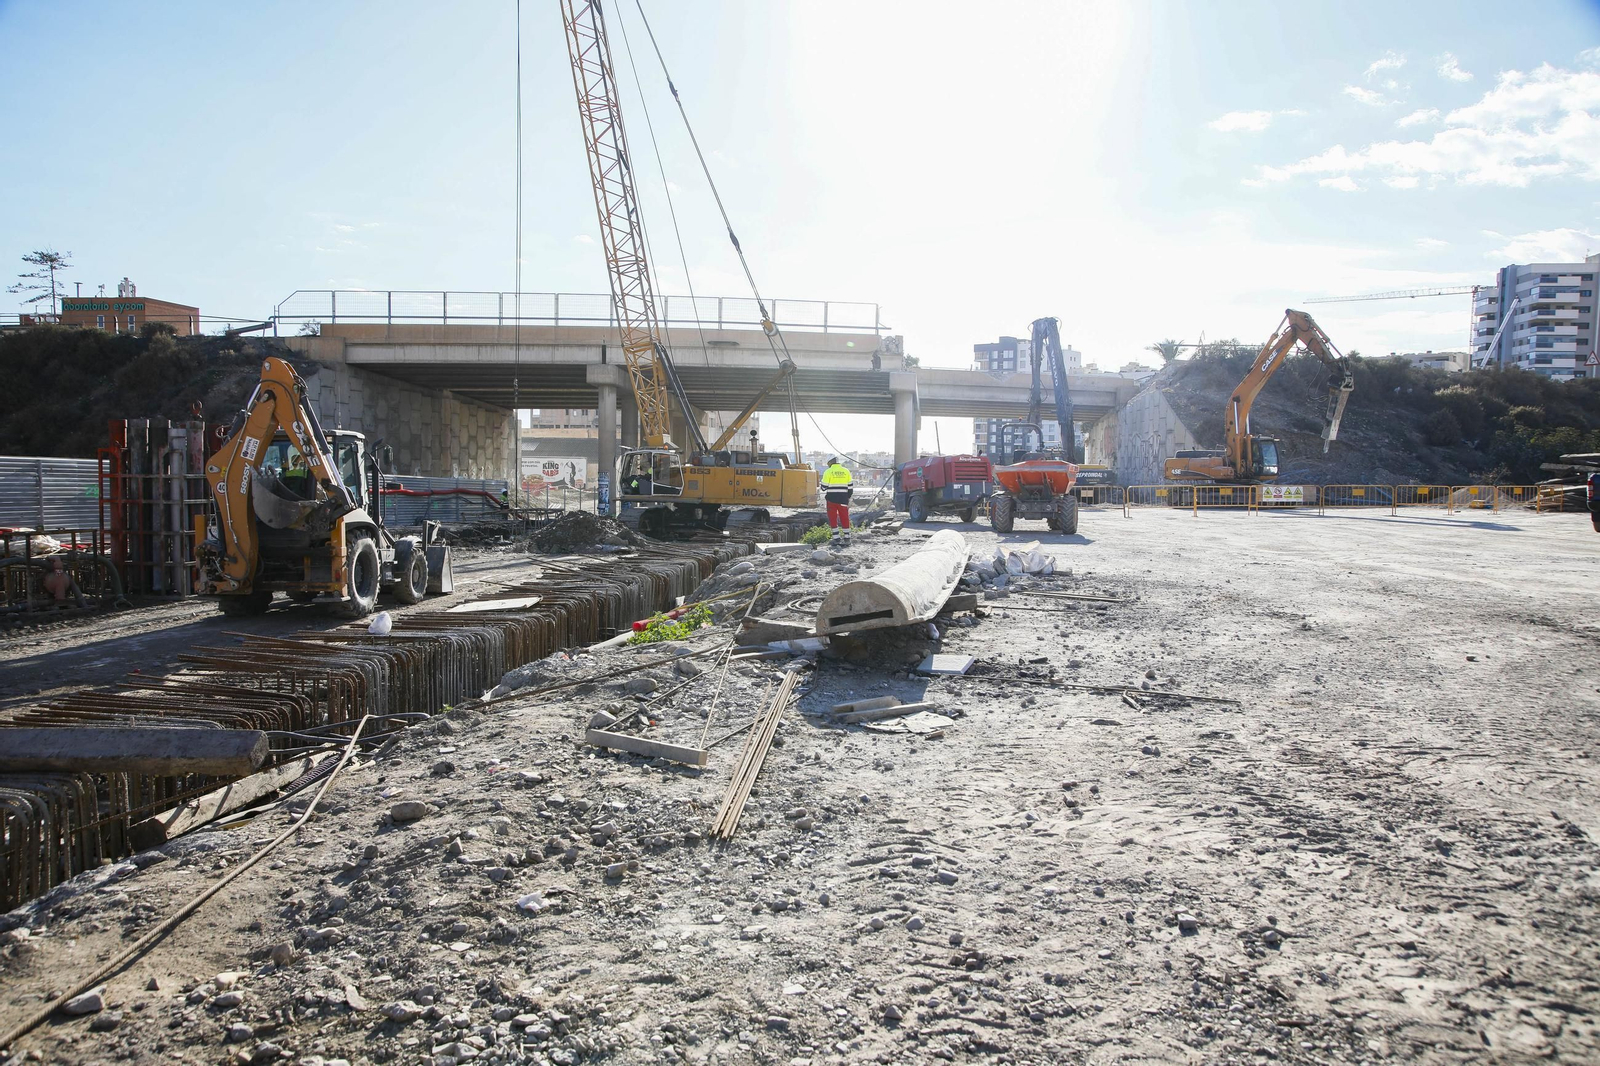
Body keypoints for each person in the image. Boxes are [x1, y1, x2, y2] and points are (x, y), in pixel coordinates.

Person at [821, 457, 854, 539]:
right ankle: (847, 537)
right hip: (843, 499)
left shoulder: (828, 471)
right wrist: (847, 497)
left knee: (833, 518)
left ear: (830, 462)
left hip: (831, 499)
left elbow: (823, 487)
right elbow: (850, 487)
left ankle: (836, 538)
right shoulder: (846, 471)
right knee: (845, 517)